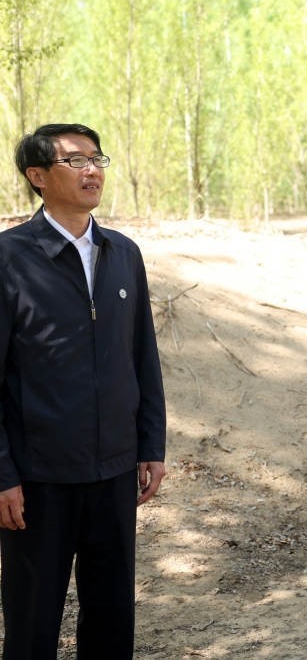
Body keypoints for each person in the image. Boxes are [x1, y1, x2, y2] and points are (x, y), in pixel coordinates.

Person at [0, 123, 167, 657]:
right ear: (38, 176)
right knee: (31, 624)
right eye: (75, 161)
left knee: (112, 619)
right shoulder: (10, 258)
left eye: (96, 159)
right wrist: (3, 475)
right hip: (38, 479)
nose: (92, 170)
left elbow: (142, 356)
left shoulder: (123, 253)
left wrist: (151, 445)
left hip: (114, 472)